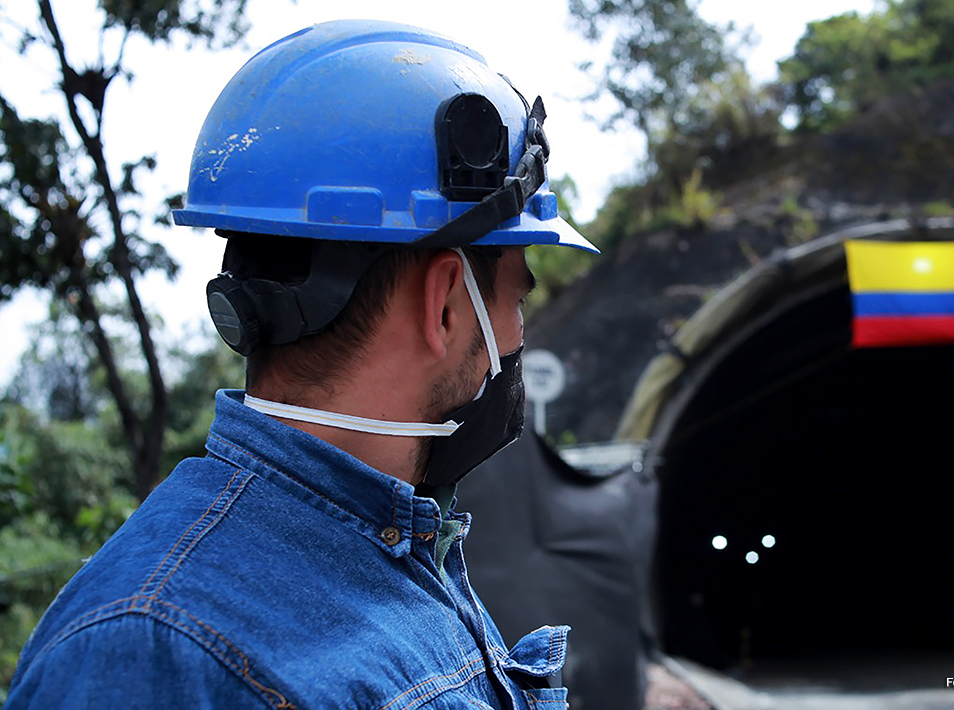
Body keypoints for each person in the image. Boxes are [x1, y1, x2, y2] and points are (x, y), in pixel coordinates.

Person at [6, 20, 596, 709]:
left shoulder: (399, 546)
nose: (518, 332)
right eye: (514, 300)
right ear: (443, 304)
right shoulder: (155, 655)